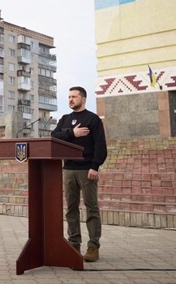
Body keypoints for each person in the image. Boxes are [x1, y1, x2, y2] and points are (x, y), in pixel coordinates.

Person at [51, 86, 107, 262]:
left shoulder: (93, 119)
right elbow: (54, 137)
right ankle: (73, 244)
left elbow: (100, 145)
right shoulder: (65, 119)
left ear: (83, 99)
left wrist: (95, 166)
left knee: (91, 208)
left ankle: (93, 246)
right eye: (69, 96)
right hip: (68, 169)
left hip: (86, 170)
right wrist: (72, 132)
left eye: (74, 96)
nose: (70, 99)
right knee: (71, 209)